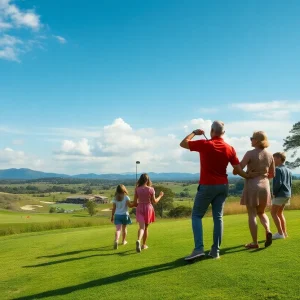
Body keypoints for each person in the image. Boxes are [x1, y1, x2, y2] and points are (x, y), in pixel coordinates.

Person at [180, 121, 253, 261]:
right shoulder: (229, 148)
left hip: (207, 185)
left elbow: (183, 143)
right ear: (223, 133)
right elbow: (238, 169)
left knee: (196, 216)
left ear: (211, 130)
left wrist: (195, 132)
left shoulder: (205, 144)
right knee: (218, 218)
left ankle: (198, 249)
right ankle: (215, 251)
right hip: (223, 186)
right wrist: (248, 176)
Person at [235, 131, 275, 249]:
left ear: (256, 140)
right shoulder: (270, 155)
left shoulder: (250, 153)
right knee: (261, 212)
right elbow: (272, 174)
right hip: (265, 186)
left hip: (252, 185)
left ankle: (254, 242)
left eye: (251, 138)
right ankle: (268, 230)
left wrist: (247, 174)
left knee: (252, 214)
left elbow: (237, 169)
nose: (250, 140)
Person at [133, 173, 164, 253]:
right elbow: (154, 201)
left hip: (139, 208)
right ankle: (143, 244)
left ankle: (138, 240)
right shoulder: (151, 189)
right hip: (148, 208)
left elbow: (135, 202)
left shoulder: (137, 189)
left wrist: (129, 204)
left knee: (141, 227)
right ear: (147, 180)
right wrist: (160, 196)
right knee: (145, 228)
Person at [271, 152, 292, 240]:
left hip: (280, 194)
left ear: (279, 158)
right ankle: (284, 232)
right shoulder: (288, 170)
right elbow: (290, 183)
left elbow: (278, 183)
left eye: (274, 158)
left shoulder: (277, 169)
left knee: (273, 213)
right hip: (287, 194)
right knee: (279, 213)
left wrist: (274, 193)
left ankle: (280, 233)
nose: (273, 160)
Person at [111, 184, 135, 250]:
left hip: (117, 216)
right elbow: (130, 206)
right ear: (124, 189)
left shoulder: (115, 198)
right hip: (125, 215)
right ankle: (123, 241)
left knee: (118, 229)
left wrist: (112, 216)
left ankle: (116, 240)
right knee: (124, 229)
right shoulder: (126, 197)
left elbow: (114, 208)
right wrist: (135, 204)